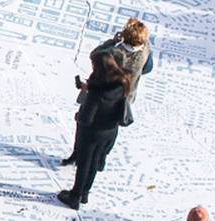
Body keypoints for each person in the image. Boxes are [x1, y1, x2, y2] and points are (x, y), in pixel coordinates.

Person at [58, 20, 151, 210]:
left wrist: (112, 41)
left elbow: (96, 55)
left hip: (94, 122)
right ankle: (92, 175)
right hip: (120, 104)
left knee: (86, 157)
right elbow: (148, 68)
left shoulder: (112, 56)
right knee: (97, 154)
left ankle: (78, 185)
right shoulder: (144, 54)